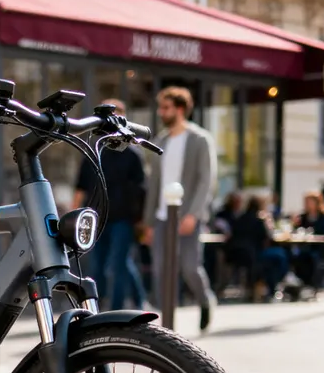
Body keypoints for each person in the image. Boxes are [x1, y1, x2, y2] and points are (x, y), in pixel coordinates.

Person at [142, 86, 217, 330]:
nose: (161, 112)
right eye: (160, 107)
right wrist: (149, 222)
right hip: (162, 217)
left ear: (180, 109)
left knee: (189, 268)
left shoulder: (200, 139)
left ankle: (205, 301)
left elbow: (206, 180)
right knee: (161, 271)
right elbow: (153, 184)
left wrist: (194, 214)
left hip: (186, 216)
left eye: (166, 107)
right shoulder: (160, 141)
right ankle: (167, 325)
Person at [73, 98, 148, 311]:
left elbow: (142, 190)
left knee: (117, 265)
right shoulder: (94, 150)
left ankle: (115, 310)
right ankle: (123, 302)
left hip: (123, 219)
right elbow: (81, 186)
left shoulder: (133, 154)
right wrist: (75, 215)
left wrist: (142, 222)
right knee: (100, 266)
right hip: (96, 218)